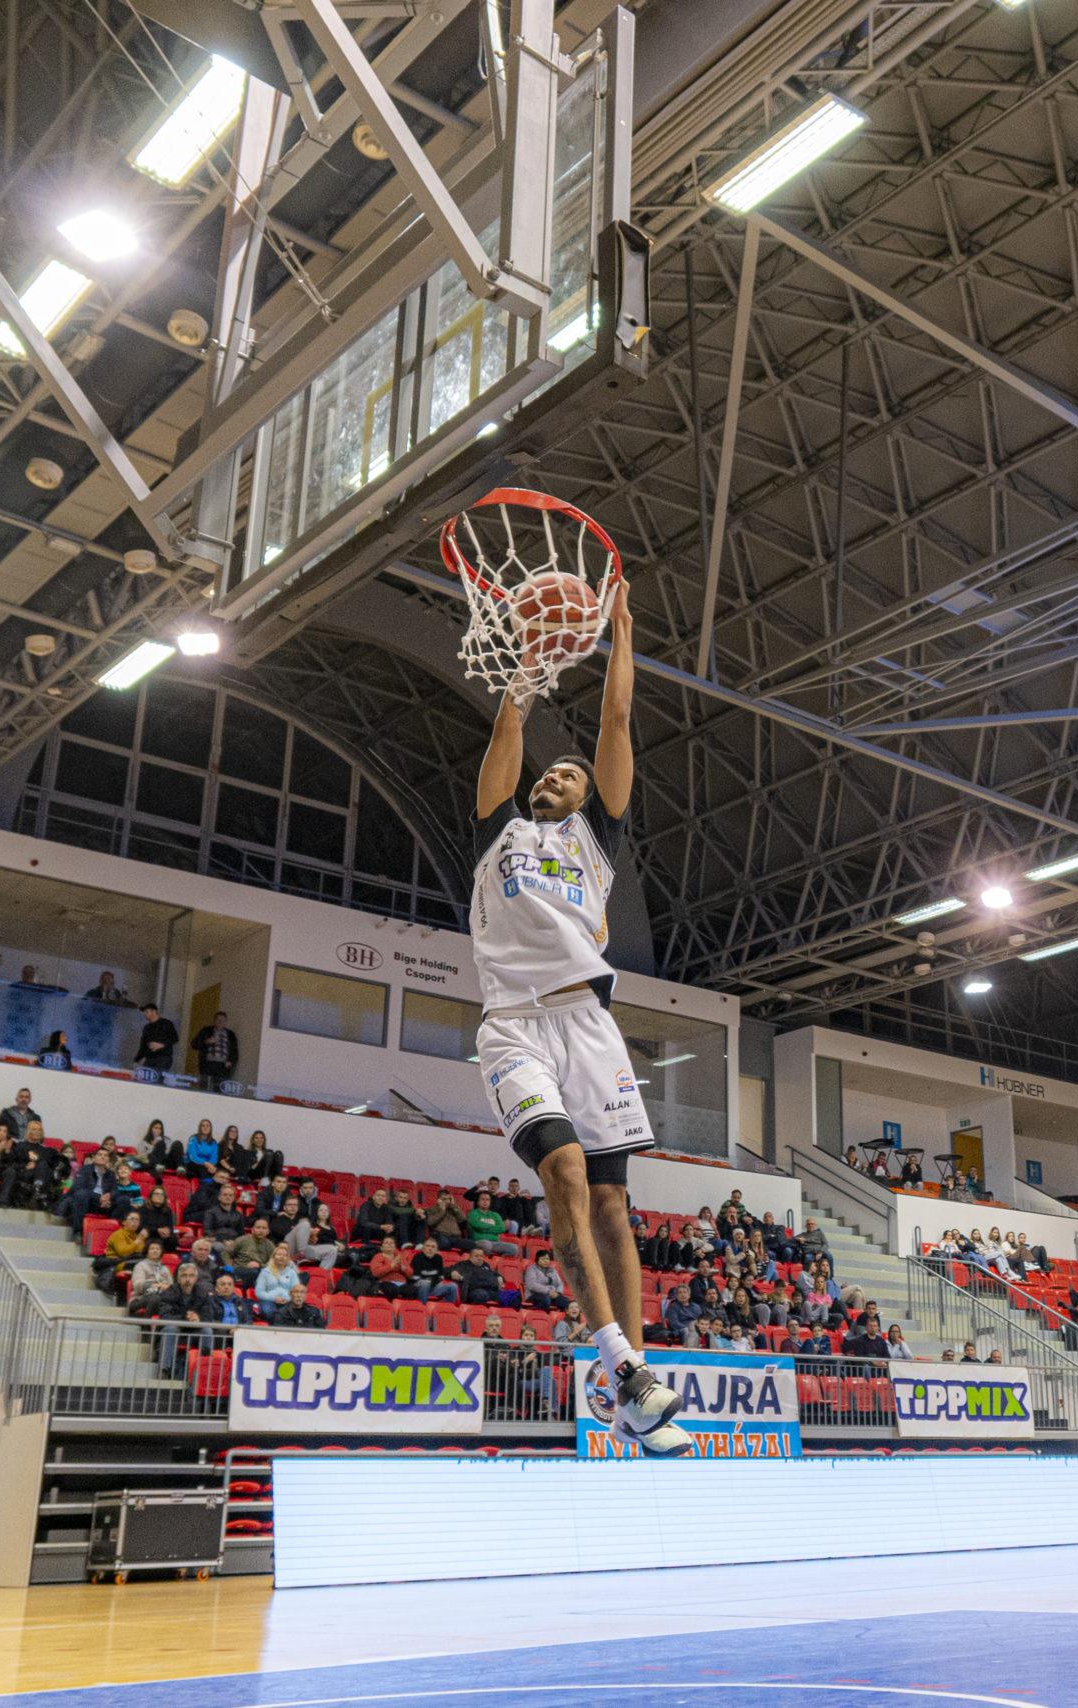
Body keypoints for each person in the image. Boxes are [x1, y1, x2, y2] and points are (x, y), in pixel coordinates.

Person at [466, 579, 686, 1456]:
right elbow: (506, 737)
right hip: (516, 1022)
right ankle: (618, 1363)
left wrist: (622, 633)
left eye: (570, 776)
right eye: (549, 776)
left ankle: (633, 1389)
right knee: (560, 1165)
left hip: (590, 1027)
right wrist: (527, 666)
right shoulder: (498, 835)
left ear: (588, 802)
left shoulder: (596, 848)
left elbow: (617, 728)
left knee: (611, 1205)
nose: (558, 777)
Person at [191, 1012, 239, 1090]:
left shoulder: (230, 1034)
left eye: (223, 1020)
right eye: (218, 1019)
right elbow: (194, 1044)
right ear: (214, 1020)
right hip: (207, 1064)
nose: (220, 1022)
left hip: (223, 1066)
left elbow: (234, 1050)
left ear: (226, 1022)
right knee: (204, 1087)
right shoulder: (206, 1030)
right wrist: (206, 1041)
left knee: (220, 1089)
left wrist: (231, 1061)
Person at [134, 1004, 179, 1076]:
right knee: (145, 1079)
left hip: (163, 1058)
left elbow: (175, 1038)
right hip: (150, 1059)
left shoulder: (166, 1023)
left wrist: (162, 1045)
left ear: (154, 1012)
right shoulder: (147, 1028)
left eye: (146, 1012)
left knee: (158, 1079)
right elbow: (143, 1045)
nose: (145, 1014)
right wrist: (136, 1060)